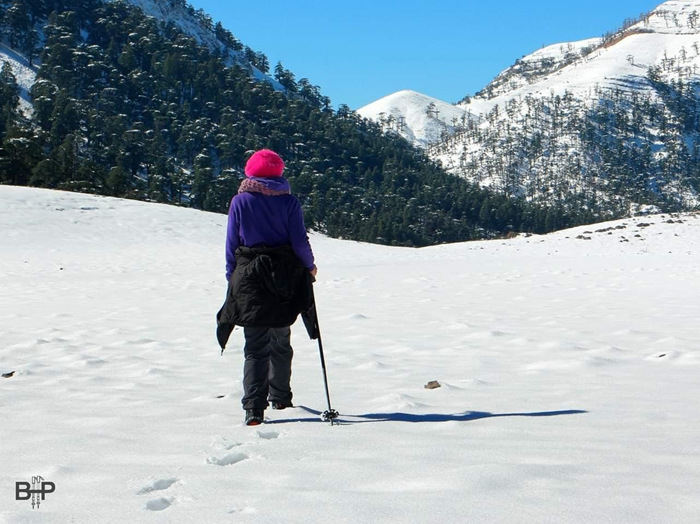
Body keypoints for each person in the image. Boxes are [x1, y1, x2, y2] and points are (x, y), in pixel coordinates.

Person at [217, 149, 317, 426]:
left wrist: (232, 276)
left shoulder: (240, 201)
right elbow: (299, 241)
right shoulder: (289, 202)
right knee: (281, 340)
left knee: (255, 345)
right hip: (285, 275)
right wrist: (309, 267)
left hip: (249, 276)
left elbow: (231, 243)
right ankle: (281, 397)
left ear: (250, 171)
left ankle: (254, 407)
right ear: (279, 172)